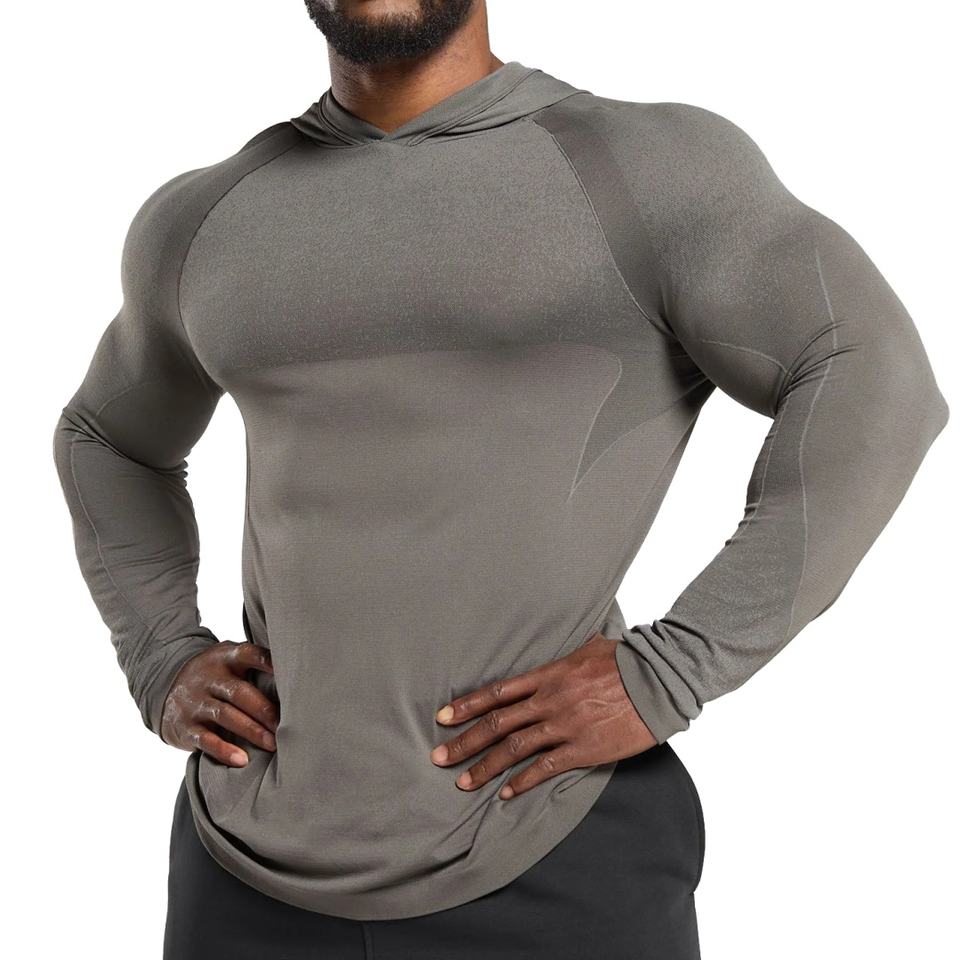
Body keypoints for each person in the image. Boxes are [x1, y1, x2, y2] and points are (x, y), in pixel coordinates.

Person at [52, 1, 949, 957]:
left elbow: (876, 378)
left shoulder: (646, 167)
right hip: (245, 859)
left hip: (551, 840)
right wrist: (161, 654)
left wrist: (674, 669)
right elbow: (106, 437)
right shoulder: (203, 217)